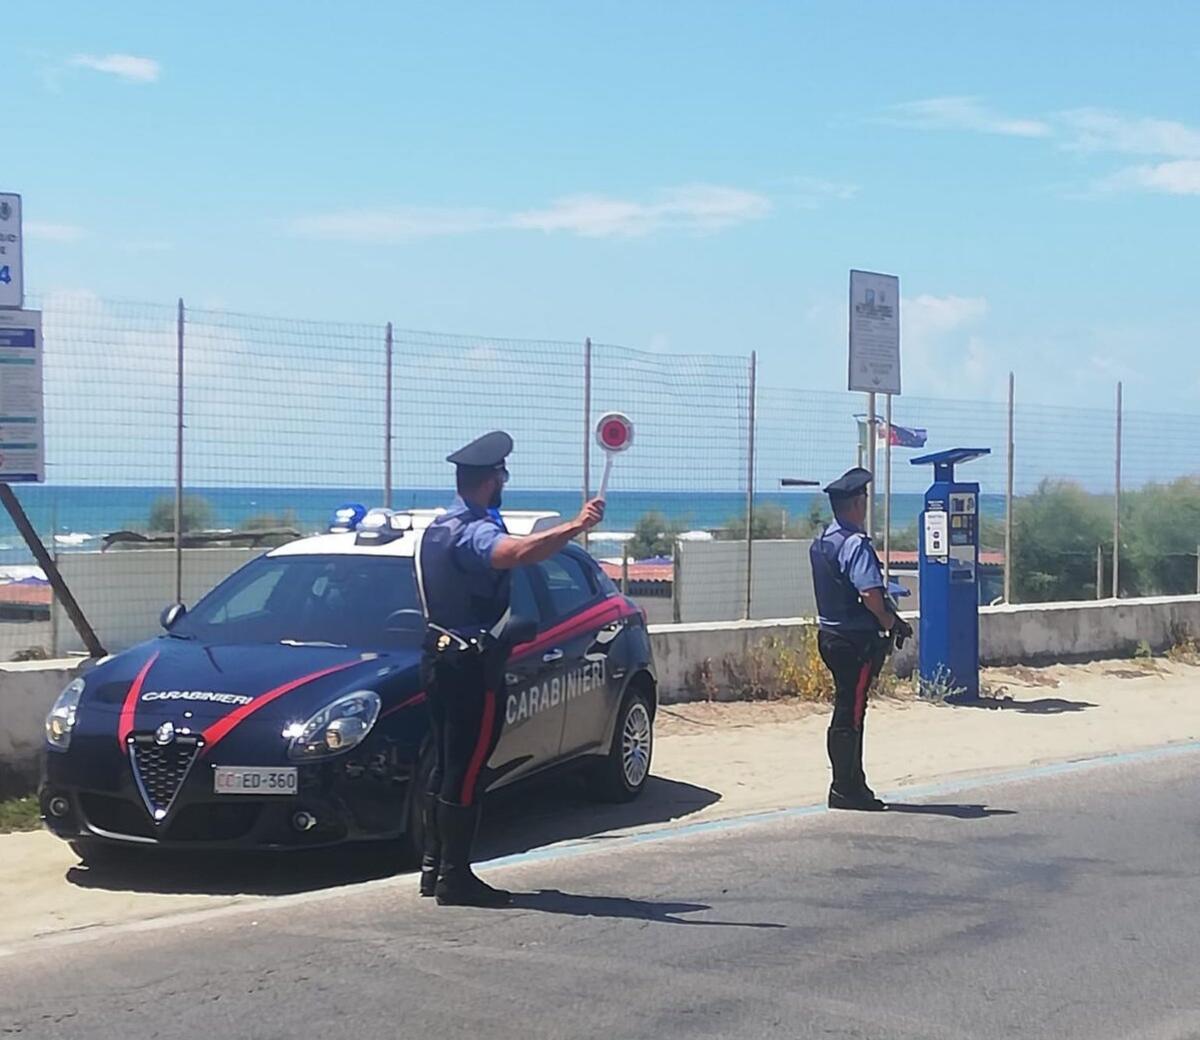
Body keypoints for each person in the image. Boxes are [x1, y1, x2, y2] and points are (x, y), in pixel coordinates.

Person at [416, 430, 605, 907]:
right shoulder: (474, 530)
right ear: (491, 478)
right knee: (469, 767)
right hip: (469, 667)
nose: (505, 481)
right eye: (502, 474)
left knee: (446, 764)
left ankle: (434, 868)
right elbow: (515, 553)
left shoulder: (438, 527)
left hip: (438, 657)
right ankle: (455, 878)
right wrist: (575, 526)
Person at [809, 467, 913, 811]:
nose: (867, 505)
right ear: (856, 503)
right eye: (865, 499)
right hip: (854, 641)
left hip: (829, 635)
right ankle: (846, 788)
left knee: (846, 709)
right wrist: (888, 620)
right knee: (851, 713)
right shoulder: (854, 543)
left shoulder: (824, 540)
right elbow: (869, 592)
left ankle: (852, 783)